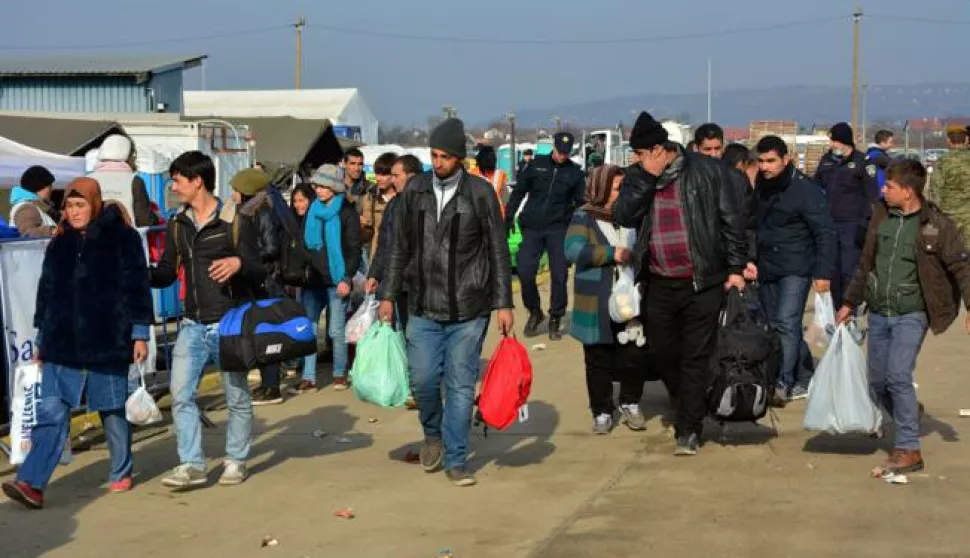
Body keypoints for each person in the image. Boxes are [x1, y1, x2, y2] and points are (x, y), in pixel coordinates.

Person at [377, 117, 514, 487]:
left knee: (460, 384)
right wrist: (387, 295)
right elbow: (398, 248)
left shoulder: (481, 194)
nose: (436, 163)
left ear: (460, 159)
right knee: (422, 380)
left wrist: (504, 303)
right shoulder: (415, 191)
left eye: (444, 157)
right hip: (421, 305)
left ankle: (456, 459)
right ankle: (433, 435)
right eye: (433, 155)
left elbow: (498, 252)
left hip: (469, 308)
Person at [2, 178, 153, 509]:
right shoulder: (60, 241)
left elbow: (137, 287)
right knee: (51, 412)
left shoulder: (122, 237)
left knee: (112, 409)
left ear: (94, 204)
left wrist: (140, 333)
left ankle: (120, 469)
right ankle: (31, 483)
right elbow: (48, 293)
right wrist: (43, 338)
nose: (74, 212)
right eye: (69, 206)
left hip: (107, 336)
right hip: (62, 341)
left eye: (80, 205)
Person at [614, 111, 747, 456]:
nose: (636, 160)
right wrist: (646, 176)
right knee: (661, 350)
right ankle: (689, 397)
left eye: (641, 154)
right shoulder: (638, 176)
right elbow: (624, 215)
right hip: (658, 281)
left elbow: (732, 221)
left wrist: (735, 268)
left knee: (695, 355)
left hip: (702, 280)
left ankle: (688, 429)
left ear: (659, 149)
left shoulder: (707, 172)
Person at [837, 159, 970, 475]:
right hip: (880, 312)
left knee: (898, 375)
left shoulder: (938, 226)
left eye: (890, 186)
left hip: (913, 312)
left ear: (908, 191)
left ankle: (909, 448)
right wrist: (849, 302)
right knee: (877, 382)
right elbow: (865, 263)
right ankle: (907, 409)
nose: (883, 190)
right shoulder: (880, 216)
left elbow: (961, 267)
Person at [150, 151, 265, 489]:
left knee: (236, 396)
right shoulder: (177, 223)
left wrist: (238, 264)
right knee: (181, 394)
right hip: (192, 324)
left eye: (177, 180)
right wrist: (133, 273)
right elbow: (167, 272)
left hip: (229, 322)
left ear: (197, 180)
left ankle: (236, 461)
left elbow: (260, 268)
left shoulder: (235, 220)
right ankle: (191, 465)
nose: (173, 186)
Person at [752, 136, 837, 405]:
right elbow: (756, 224)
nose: (765, 167)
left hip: (796, 267)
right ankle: (803, 374)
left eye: (770, 161)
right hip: (767, 265)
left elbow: (825, 232)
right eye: (761, 161)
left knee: (787, 324)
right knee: (775, 325)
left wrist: (823, 273)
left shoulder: (805, 190)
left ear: (785, 159)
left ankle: (783, 382)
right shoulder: (762, 185)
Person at [565, 164, 648, 434]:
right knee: (597, 357)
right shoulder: (585, 217)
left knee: (633, 353)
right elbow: (574, 250)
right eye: (615, 188)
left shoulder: (632, 215)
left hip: (629, 298)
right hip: (597, 299)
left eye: (623, 187)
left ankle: (630, 402)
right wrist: (612, 253)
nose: (620, 193)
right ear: (600, 189)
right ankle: (601, 409)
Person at [505, 132, 585, 340]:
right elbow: (519, 192)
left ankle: (555, 317)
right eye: (559, 152)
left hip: (558, 228)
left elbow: (581, 204)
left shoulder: (575, 173)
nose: (562, 157)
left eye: (566, 154)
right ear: (554, 148)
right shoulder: (536, 165)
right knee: (524, 271)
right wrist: (508, 217)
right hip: (532, 227)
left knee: (559, 275)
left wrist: (582, 229)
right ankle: (534, 311)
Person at [299, 164, 361, 392]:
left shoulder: (347, 212)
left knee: (336, 330)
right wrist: (316, 264)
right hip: (313, 280)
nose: (318, 189)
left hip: (338, 281)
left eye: (323, 185)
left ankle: (338, 373)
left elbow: (354, 249)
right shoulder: (312, 210)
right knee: (310, 329)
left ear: (334, 187)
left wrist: (346, 277)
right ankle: (308, 376)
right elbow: (305, 245)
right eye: (316, 185)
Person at [229, 168, 286, 406]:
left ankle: (271, 386)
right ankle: (267, 383)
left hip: (264, 280)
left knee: (265, 334)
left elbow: (272, 247)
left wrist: (247, 260)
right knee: (257, 334)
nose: (232, 193)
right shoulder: (249, 211)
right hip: (252, 279)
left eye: (235, 189)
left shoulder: (262, 211)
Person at [814, 122, 879, 308]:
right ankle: (837, 309)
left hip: (851, 225)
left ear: (844, 141)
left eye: (834, 141)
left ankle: (850, 310)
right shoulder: (826, 161)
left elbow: (871, 195)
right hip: (829, 224)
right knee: (832, 271)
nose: (832, 145)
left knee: (849, 271)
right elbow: (816, 186)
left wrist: (864, 223)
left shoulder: (862, 162)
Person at [88, 134, 158, 227]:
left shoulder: (88, 180)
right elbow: (143, 220)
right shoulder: (134, 181)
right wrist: (156, 217)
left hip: (92, 238)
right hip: (126, 238)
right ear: (129, 157)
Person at [927, 124, 970, 236]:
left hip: (948, 215)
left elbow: (935, 189)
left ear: (948, 141)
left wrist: (937, 213)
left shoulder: (943, 161)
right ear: (966, 140)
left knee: (950, 249)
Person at [362, 152, 398, 263]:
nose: (378, 178)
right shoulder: (371, 197)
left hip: (400, 258)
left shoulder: (406, 196)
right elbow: (368, 233)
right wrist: (361, 227)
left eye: (383, 174)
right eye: (377, 173)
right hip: (377, 259)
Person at [10, 165, 59, 238]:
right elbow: (27, 233)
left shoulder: (37, 206)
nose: (51, 189)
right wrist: (52, 230)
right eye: (49, 186)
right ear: (39, 187)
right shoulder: (27, 208)